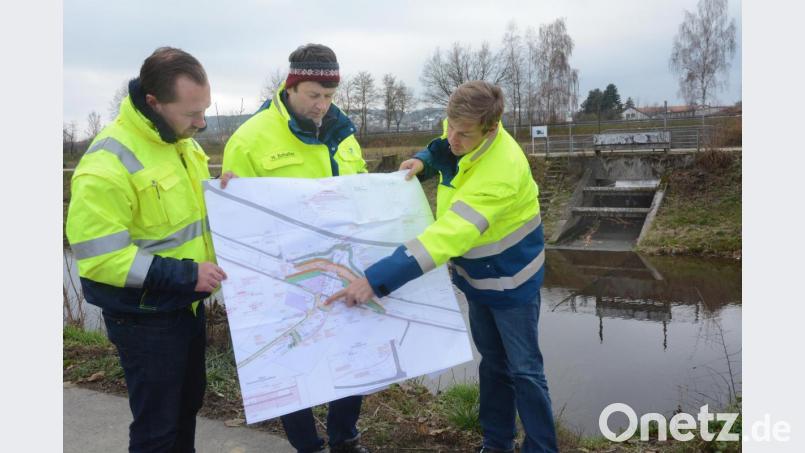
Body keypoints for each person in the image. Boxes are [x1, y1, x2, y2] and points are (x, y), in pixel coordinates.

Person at [328, 81, 559, 453]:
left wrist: (374, 280)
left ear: (491, 130)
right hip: (477, 278)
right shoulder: (464, 129)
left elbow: (445, 238)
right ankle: (496, 444)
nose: (453, 137)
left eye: (463, 133)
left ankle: (541, 447)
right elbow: (443, 148)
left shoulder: (500, 172)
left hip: (513, 281)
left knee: (525, 371)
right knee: (493, 364)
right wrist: (423, 161)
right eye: (450, 126)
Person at [66, 47, 228, 453]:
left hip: (186, 306)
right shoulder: (106, 164)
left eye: (205, 109)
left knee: (186, 408)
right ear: (154, 103)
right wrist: (187, 274)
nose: (202, 122)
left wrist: (229, 196)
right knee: (157, 427)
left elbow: (189, 216)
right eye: (192, 113)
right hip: (145, 318)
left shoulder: (180, 142)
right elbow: (101, 258)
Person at [221, 43, 370, 453]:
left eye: (329, 96)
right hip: (284, 273)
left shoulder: (344, 133)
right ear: (290, 87)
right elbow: (237, 218)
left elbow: (361, 190)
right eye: (313, 95)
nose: (322, 105)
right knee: (292, 357)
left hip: (343, 266)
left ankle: (345, 436)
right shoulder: (250, 139)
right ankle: (308, 445)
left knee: (351, 351)